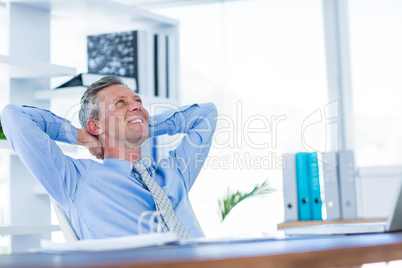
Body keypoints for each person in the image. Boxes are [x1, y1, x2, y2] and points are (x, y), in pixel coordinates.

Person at [1, 75, 217, 240]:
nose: (137, 105)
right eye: (120, 103)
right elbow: (14, 117)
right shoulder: (75, 181)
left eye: (137, 101)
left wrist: (142, 123)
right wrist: (81, 137)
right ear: (95, 125)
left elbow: (206, 114)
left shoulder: (173, 173)